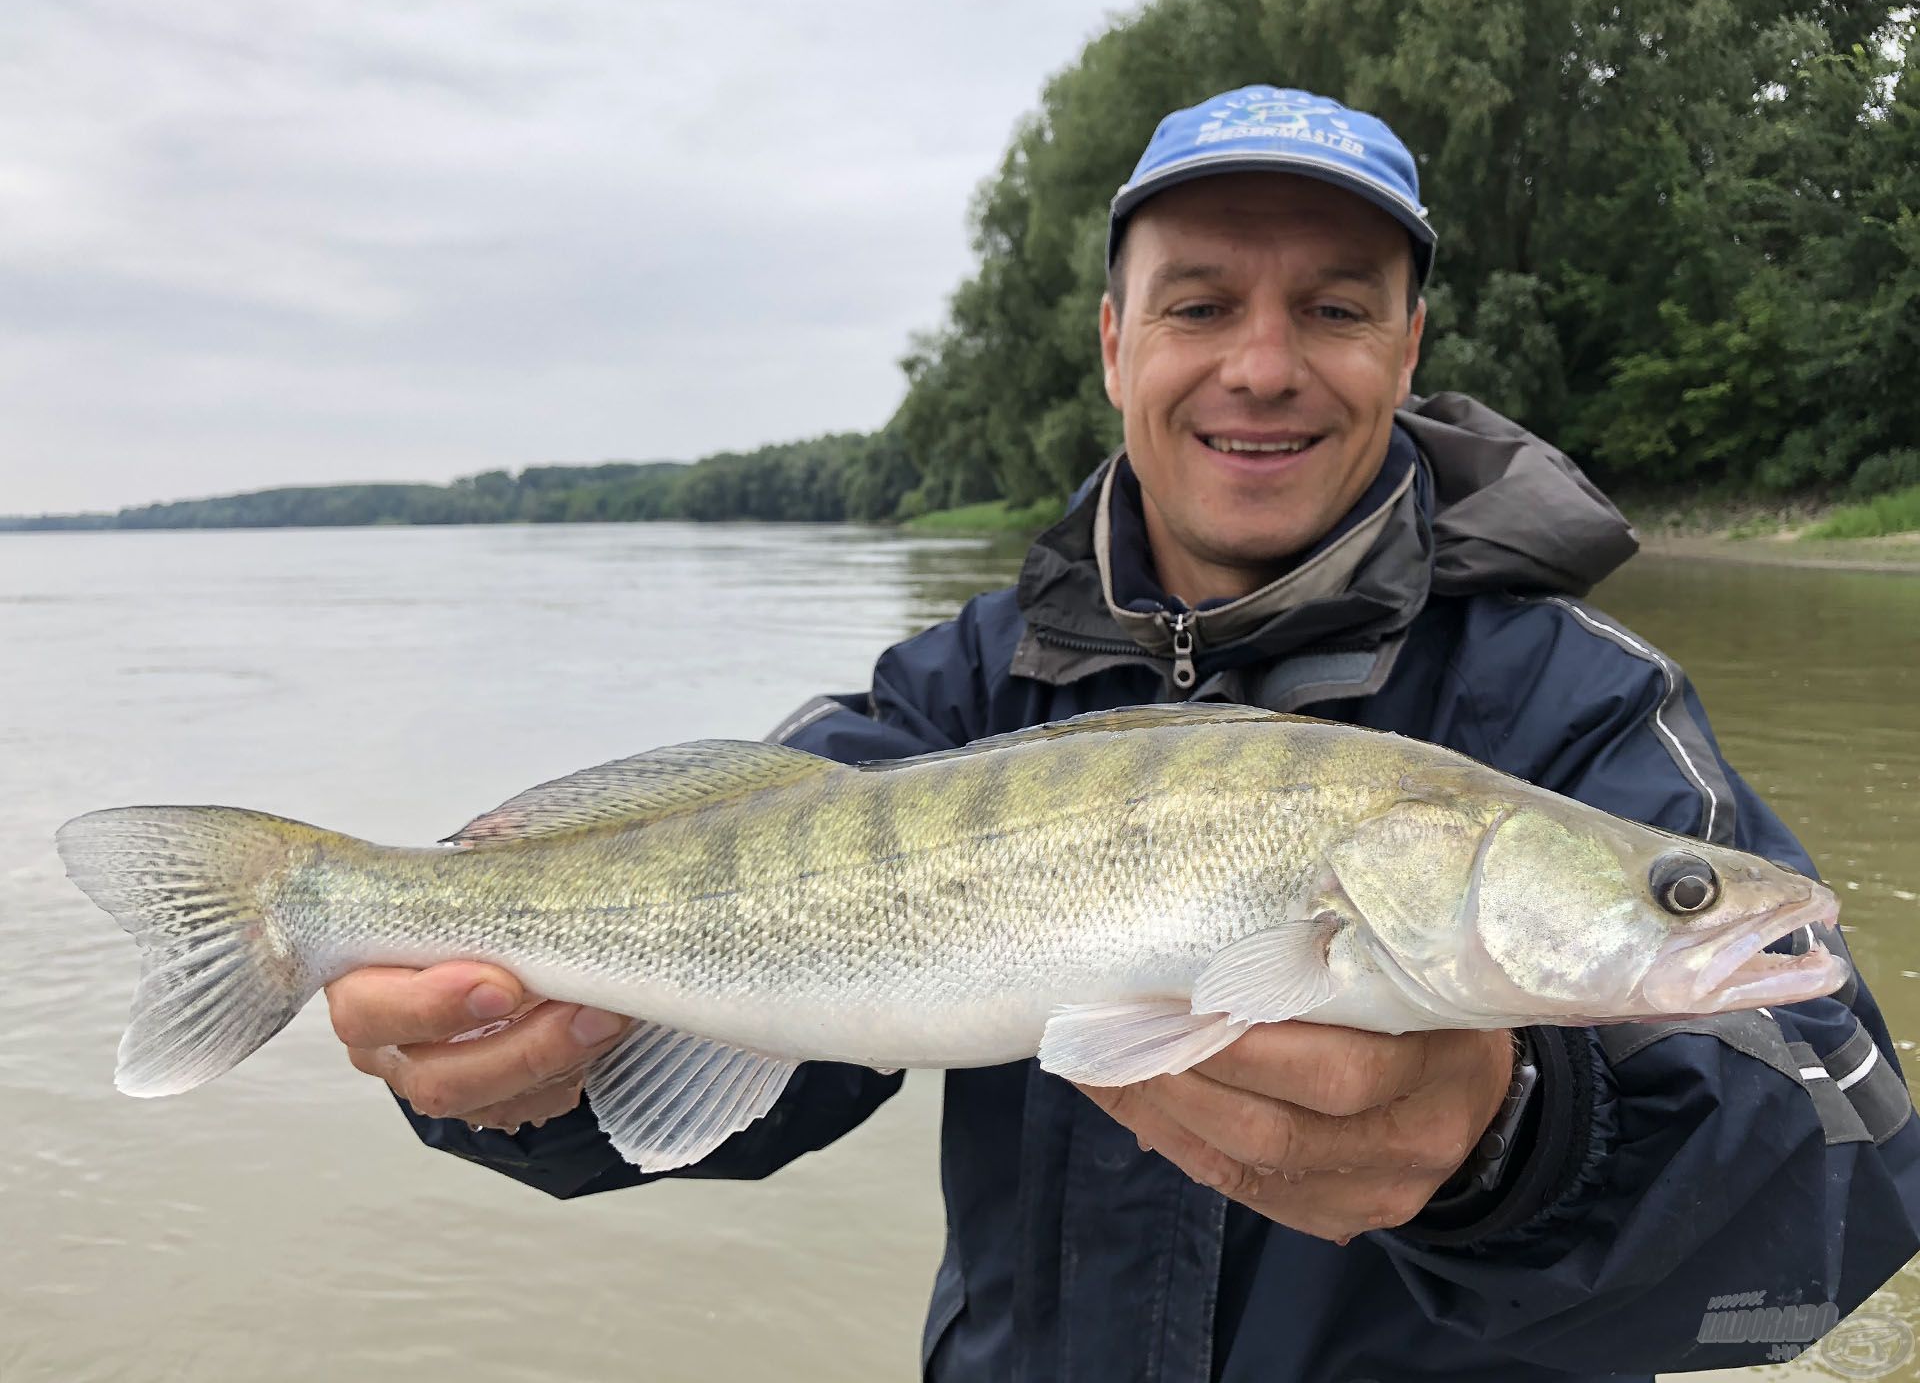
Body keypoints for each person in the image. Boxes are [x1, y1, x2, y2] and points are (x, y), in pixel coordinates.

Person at [325, 86, 1920, 1381]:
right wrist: (500, 1068)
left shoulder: (1575, 708)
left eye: (1337, 307)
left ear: (1409, 348)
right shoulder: (954, 695)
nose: (1264, 364)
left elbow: (1849, 1186)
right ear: (1114, 344)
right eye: (1202, 303)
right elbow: (744, 1055)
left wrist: (1519, 1154)